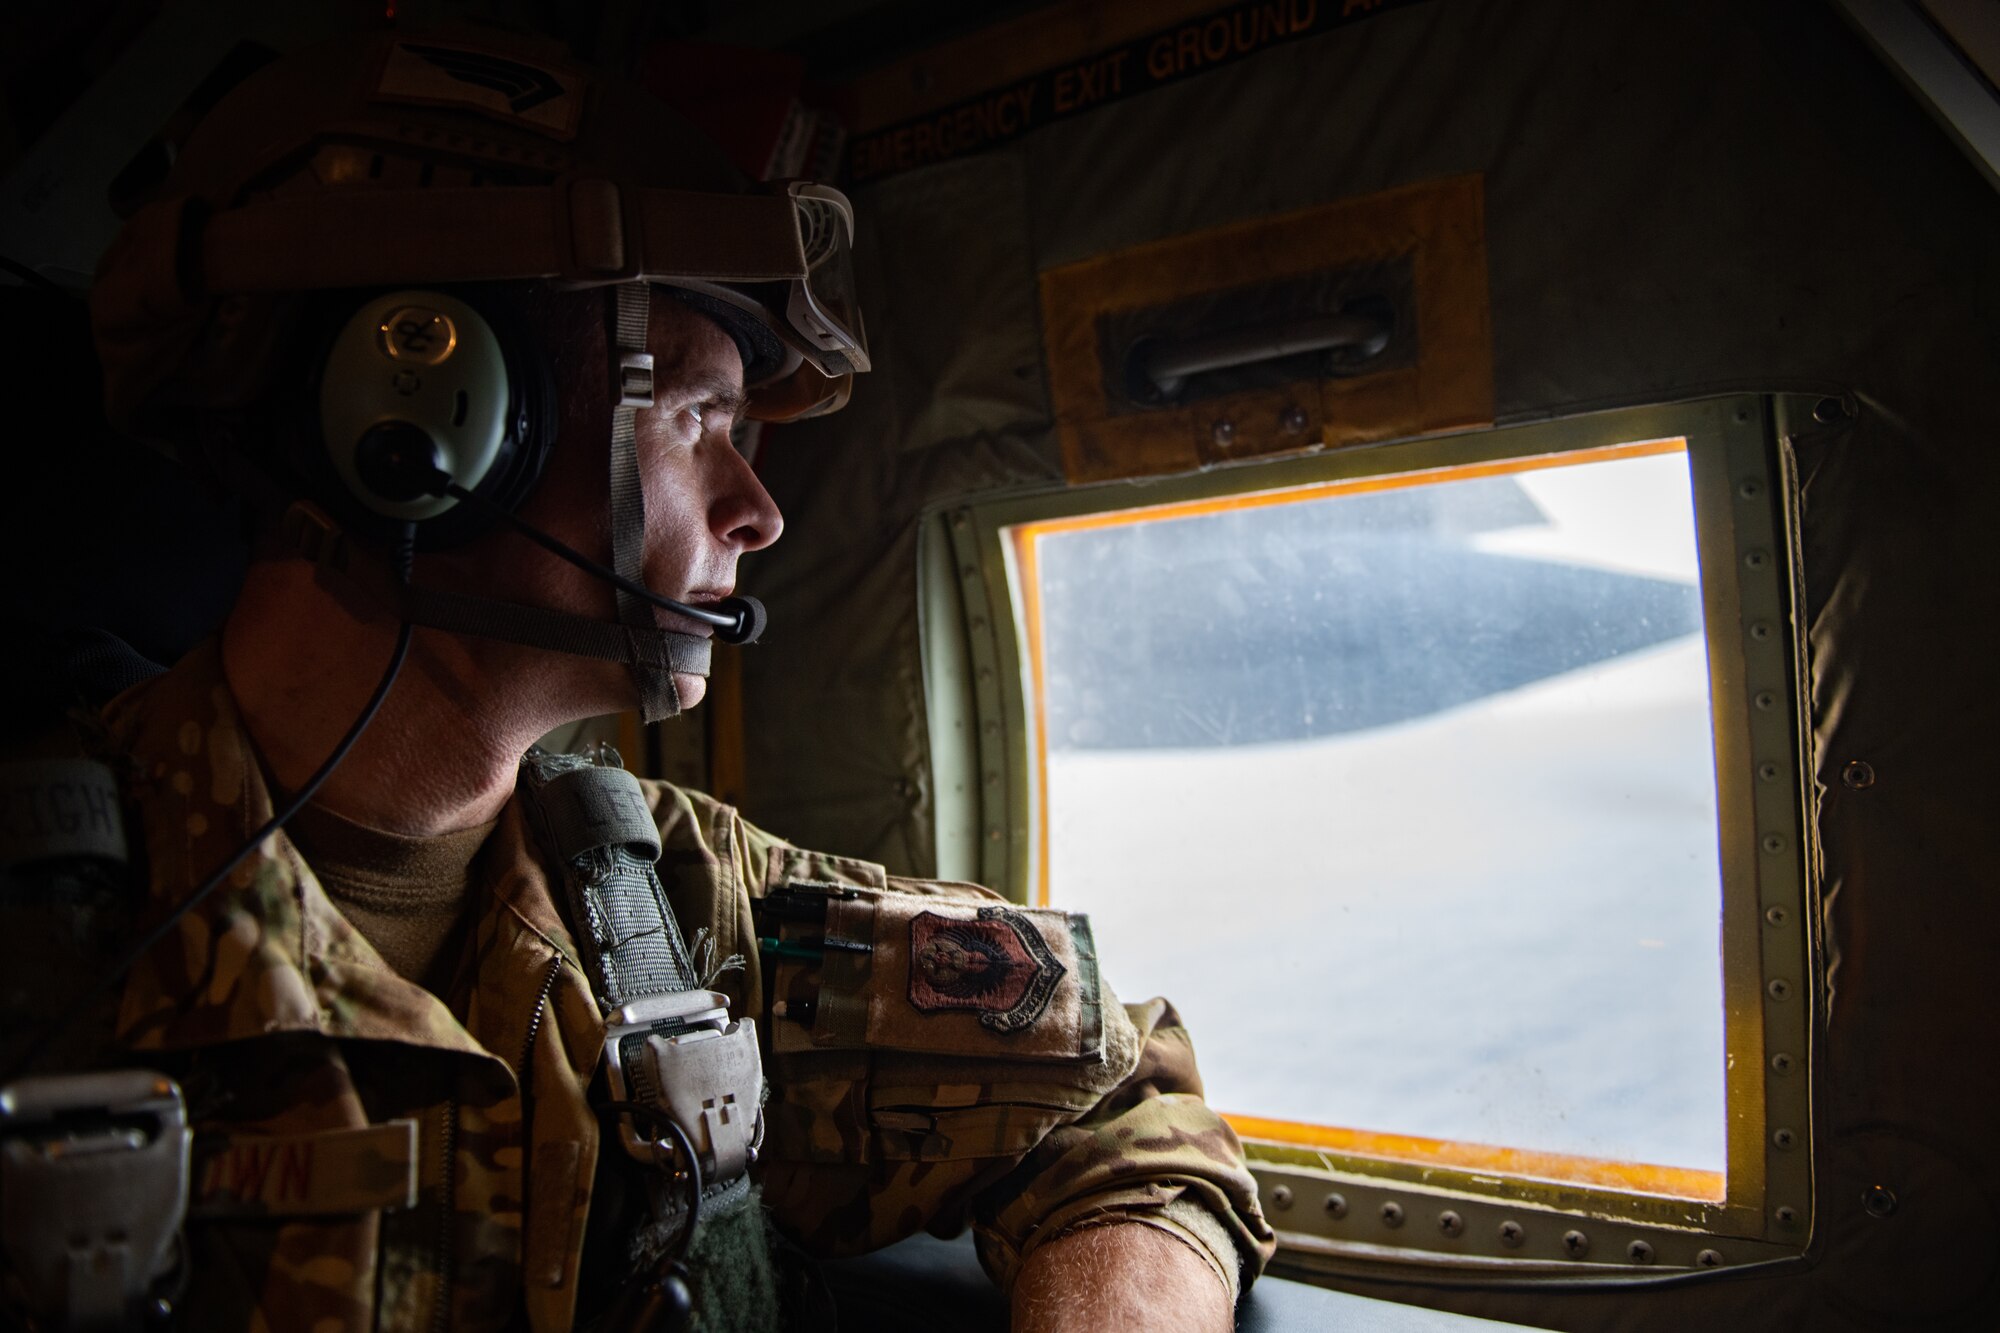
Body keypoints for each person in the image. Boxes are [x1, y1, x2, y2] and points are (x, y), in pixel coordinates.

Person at [0, 24, 1272, 1332]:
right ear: (429, 420)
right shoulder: (53, 929)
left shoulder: (670, 902)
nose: (759, 509)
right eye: (700, 418)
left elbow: (1127, 1105)